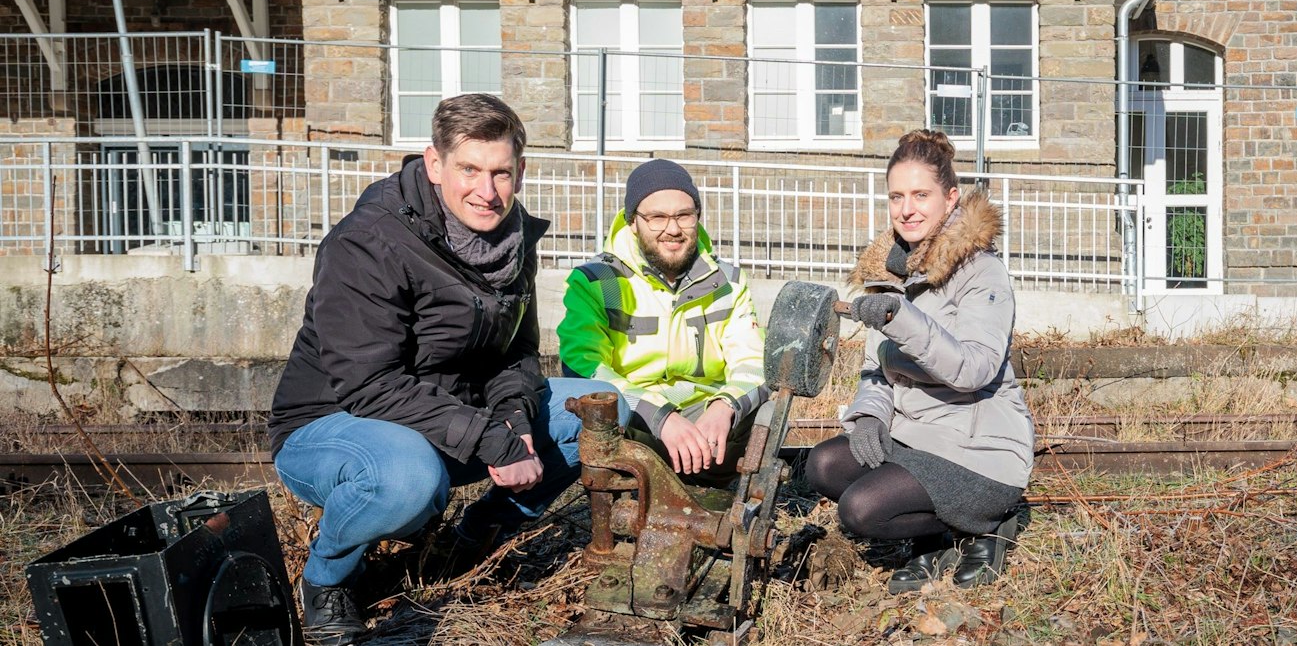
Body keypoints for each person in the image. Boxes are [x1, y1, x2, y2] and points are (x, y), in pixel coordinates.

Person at [268, 95, 610, 646]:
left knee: (594, 408)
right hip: (334, 422)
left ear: (520, 172)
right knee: (408, 478)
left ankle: (469, 543)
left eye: (501, 173)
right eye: (468, 170)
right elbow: (367, 384)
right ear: (434, 164)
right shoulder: (370, 241)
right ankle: (327, 579)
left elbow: (514, 355)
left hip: (445, 418)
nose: (486, 190)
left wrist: (517, 419)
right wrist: (492, 441)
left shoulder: (512, 237)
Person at [804, 129, 1034, 592]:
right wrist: (869, 415)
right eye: (896, 196)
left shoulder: (981, 271)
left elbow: (973, 369)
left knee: (860, 511)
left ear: (950, 199)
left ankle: (989, 525)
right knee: (821, 466)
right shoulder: (890, 275)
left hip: (978, 451)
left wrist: (900, 317)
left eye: (920, 195)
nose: (906, 209)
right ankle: (936, 536)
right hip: (915, 440)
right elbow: (876, 369)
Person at [557, 159, 766, 481]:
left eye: (684, 215)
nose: (672, 229)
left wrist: (724, 407)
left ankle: (716, 496)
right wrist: (660, 416)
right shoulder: (596, 282)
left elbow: (754, 361)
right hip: (631, 419)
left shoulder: (729, 282)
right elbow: (582, 365)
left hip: (708, 419)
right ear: (632, 222)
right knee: (592, 410)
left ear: (697, 218)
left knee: (764, 410)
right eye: (656, 217)